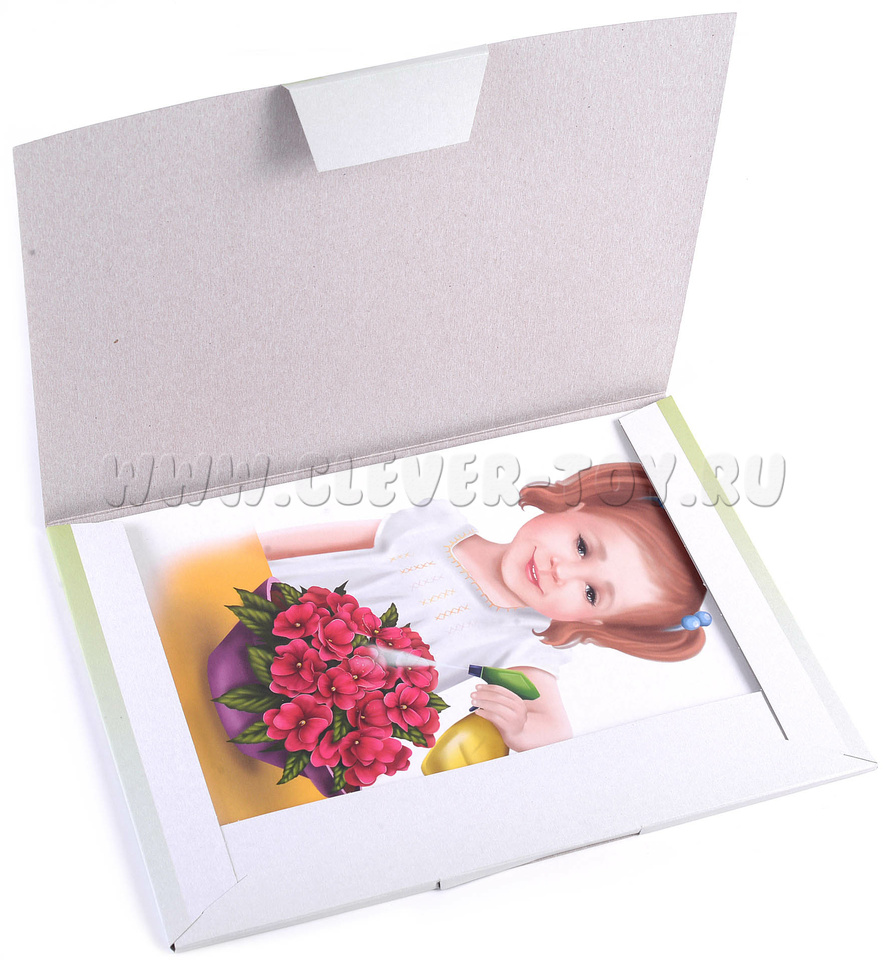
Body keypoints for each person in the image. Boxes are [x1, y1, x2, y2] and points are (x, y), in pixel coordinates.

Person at [258, 462, 706, 755]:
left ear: (597, 621)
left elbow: (556, 733)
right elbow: (318, 541)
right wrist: (246, 548)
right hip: (263, 600)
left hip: (296, 702)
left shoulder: (520, 641)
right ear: (576, 504)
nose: (562, 571)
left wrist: (518, 726)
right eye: (582, 546)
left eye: (591, 594)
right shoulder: (438, 524)